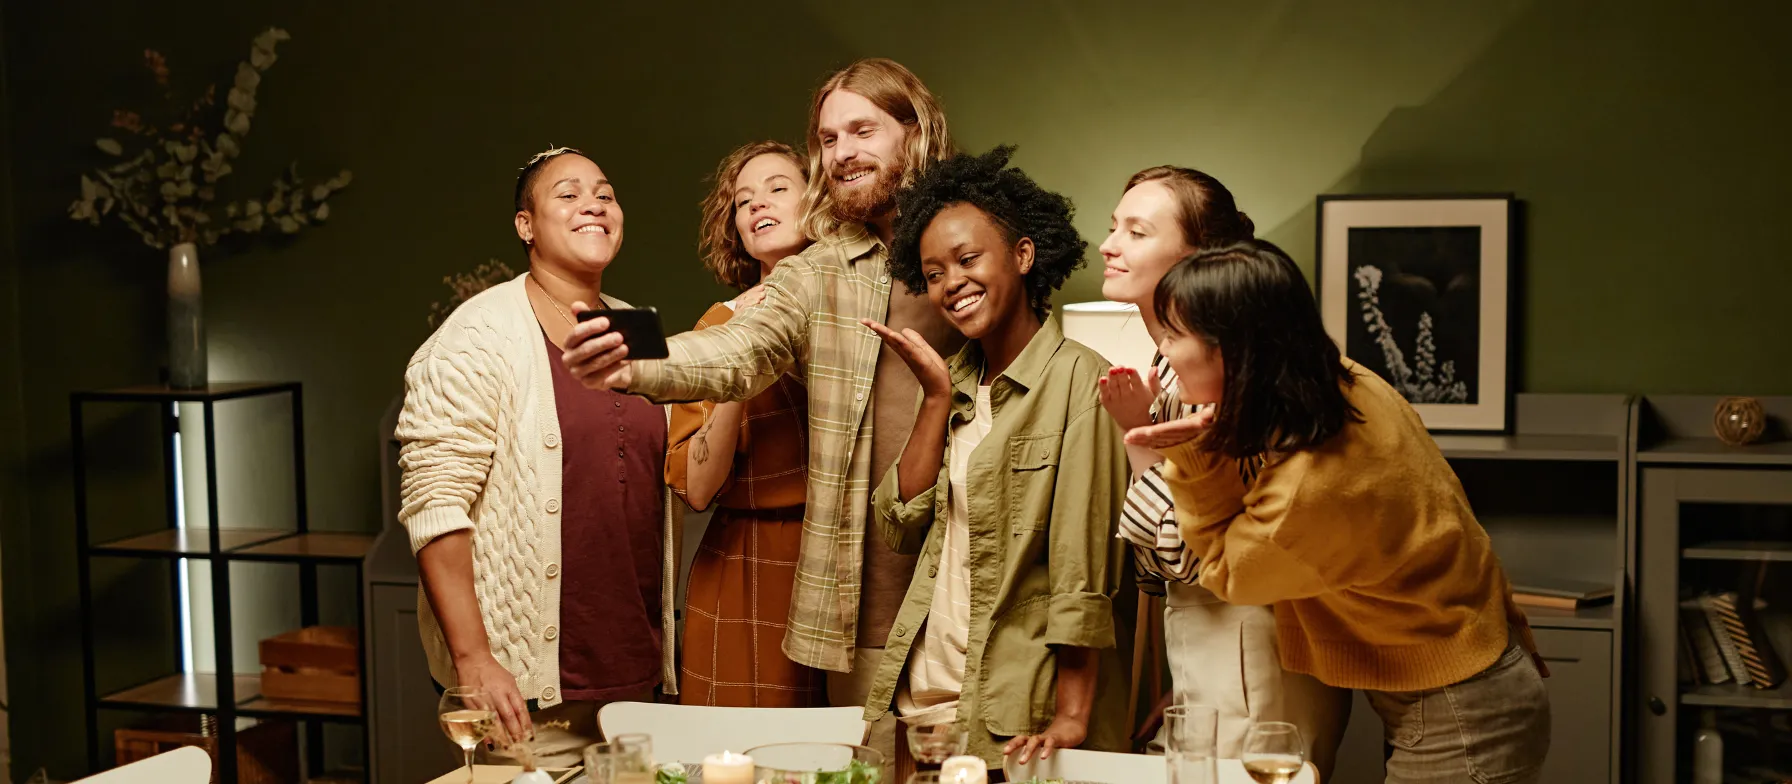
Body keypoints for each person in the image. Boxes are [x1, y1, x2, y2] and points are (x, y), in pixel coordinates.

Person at [560, 58, 961, 761]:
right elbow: (738, 347)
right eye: (829, 139)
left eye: (862, 130)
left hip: (968, 586)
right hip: (861, 599)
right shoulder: (815, 273)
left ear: (915, 131)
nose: (843, 151)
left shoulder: (971, 241)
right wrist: (632, 362)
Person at [1126, 239, 1552, 784]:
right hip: (1482, 672)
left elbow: (1227, 572)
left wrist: (1194, 457)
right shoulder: (1345, 382)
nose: (1162, 349)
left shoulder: (1310, 487)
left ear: (1233, 350)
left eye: (1174, 335)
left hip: (1463, 711)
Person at [396, 147, 680, 767]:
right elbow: (433, 503)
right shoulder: (477, 335)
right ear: (526, 225)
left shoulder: (635, 328)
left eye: (605, 193)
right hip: (525, 698)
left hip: (636, 688)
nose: (594, 205)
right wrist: (473, 659)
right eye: (569, 194)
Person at [860, 146, 1134, 772]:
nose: (951, 283)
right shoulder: (952, 381)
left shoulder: (1080, 384)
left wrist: (1072, 716)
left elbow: (1082, 571)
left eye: (967, 258)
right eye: (933, 273)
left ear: (1023, 255)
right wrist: (932, 399)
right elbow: (898, 524)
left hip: (1015, 707)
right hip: (923, 694)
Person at [1095, 167, 1347, 774]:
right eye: (1113, 227)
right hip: (1212, 653)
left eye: (1137, 231)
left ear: (1197, 256)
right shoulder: (1171, 371)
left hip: (1256, 650)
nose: (1109, 245)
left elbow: (1194, 555)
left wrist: (1140, 444)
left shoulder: (1232, 380)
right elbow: (1158, 569)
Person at [667, 140, 824, 707]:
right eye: (743, 200)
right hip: (743, 565)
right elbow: (700, 488)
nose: (759, 204)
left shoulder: (863, 308)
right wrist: (744, 353)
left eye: (779, 188)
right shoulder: (718, 327)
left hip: (842, 554)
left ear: (818, 198)